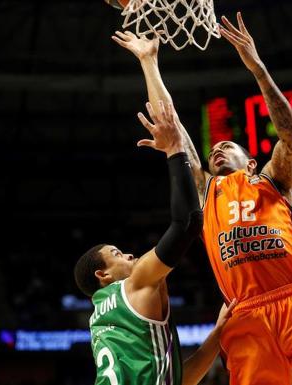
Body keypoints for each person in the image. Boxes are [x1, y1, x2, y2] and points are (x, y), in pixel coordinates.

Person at [111, 12, 292, 385]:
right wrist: (149, 63)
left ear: (251, 161)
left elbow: (291, 138)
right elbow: (174, 131)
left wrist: (258, 68)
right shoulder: (206, 190)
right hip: (244, 315)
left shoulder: (273, 179)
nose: (217, 151)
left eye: (227, 146)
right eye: (213, 149)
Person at [73, 101, 236, 385]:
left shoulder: (99, 319)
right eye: (117, 253)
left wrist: (219, 330)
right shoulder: (135, 283)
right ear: (103, 275)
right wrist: (175, 150)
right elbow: (187, 223)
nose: (129, 254)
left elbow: (177, 380)